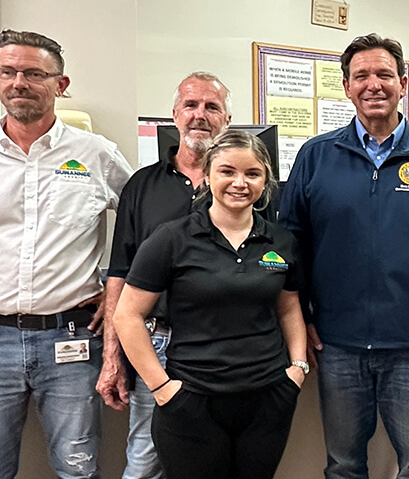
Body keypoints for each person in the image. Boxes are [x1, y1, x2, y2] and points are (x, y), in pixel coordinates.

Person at [0, 29, 133, 479]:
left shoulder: (97, 155)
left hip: (72, 341)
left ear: (61, 84)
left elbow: (146, 225)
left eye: (34, 73)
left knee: (79, 471)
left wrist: (117, 294)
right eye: (9, 72)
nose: (19, 82)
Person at [278, 34, 409, 479]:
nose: (374, 85)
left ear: (403, 83)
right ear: (346, 87)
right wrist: (302, 317)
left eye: (385, 74)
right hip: (337, 343)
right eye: (361, 76)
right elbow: (292, 245)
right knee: (344, 465)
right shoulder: (315, 157)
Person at [114, 128, 308, 479]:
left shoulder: (280, 241)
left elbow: (289, 306)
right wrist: (162, 388)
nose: (240, 182)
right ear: (207, 175)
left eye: (252, 173)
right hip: (192, 399)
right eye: (227, 171)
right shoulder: (172, 238)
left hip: (267, 400)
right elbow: (127, 316)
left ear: (266, 181)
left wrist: (297, 368)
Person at [99, 72, 232, 479]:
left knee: (219, 456)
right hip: (155, 341)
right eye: (191, 106)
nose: (200, 115)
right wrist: (112, 356)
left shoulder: (242, 186)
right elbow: (119, 273)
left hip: (224, 343)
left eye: (212, 107)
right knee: (145, 459)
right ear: (174, 116)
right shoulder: (142, 185)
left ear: (227, 119)